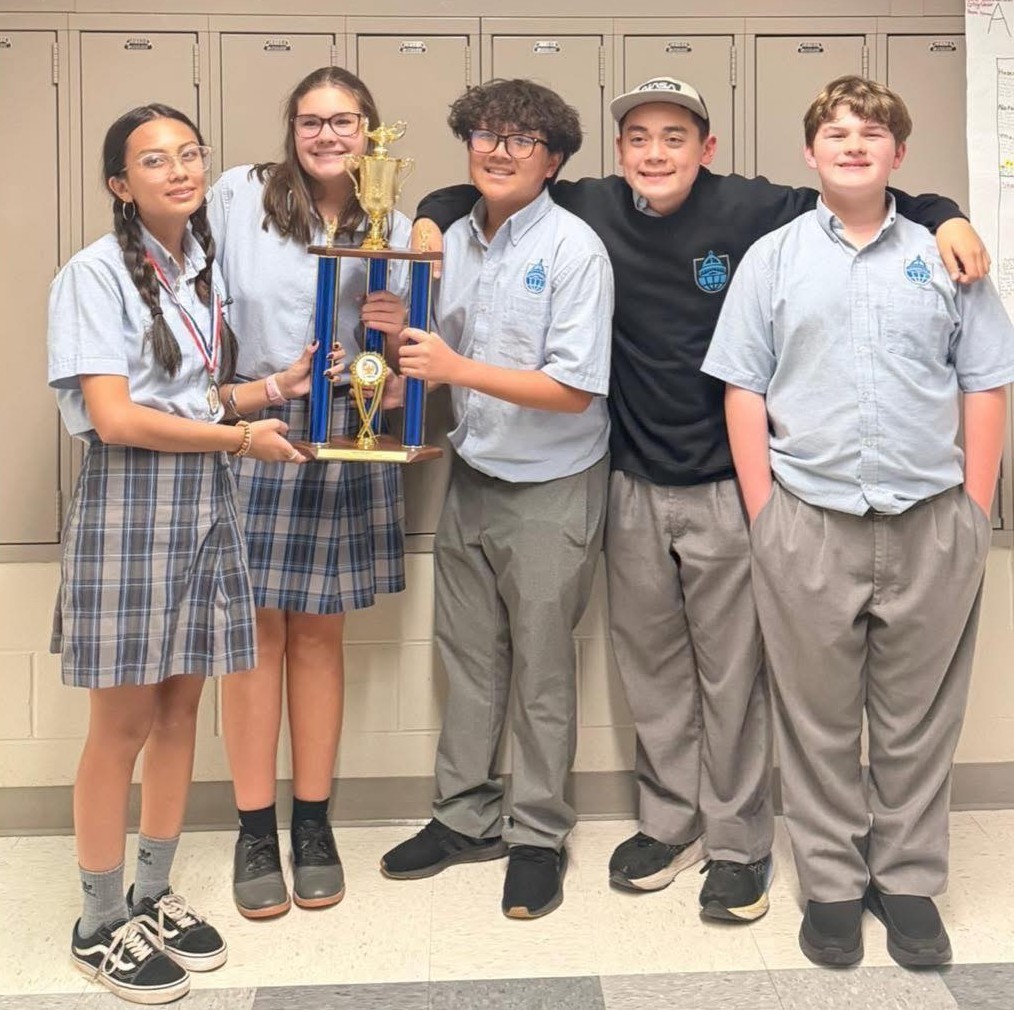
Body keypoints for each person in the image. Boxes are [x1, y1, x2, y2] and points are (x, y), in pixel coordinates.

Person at [413, 75, 992, 923]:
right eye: (639, 138)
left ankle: (738, 845)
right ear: (616, 153)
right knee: (652, 672)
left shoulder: (756, 212)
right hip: (633, 481)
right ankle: (668, 822)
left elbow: (864, 178)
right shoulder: (591, 208)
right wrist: (429, 211)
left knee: (734, 679)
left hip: (733, 486)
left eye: (675, 137)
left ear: (707, 148)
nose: (655, 153)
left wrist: (947, 213)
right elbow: (488, 182)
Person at [702, 74, 1014, 967]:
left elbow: (984, 379)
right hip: (808, 517)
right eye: (835, 132)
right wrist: (765, 514)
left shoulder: (947, 256)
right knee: (818, 715)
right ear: (810, 155)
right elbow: (743, 387)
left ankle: (909, 879)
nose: (851, 144)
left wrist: (974, 506)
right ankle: (833, 883)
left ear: (898, 156)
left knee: (918, 716)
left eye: (870, 133)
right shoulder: (774, 259)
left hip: (931, 520)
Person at [48, 104, 311, 1004]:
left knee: (177, 716)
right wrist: (242, 441)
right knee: (120, 726)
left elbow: (196, 396)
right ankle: (96, 922)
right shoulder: (92, 273)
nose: (179, 170)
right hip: (131, 506)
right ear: (121, 184)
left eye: (190, 154)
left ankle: (150, 894)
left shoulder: (199, 270)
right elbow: (118, 417)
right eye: (153, 161)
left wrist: (272, 390)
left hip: (204, 501)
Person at [379, 79, 613, 920]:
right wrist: (392, 323)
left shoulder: (578, 249)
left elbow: (575, 389)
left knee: (544, 671)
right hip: (474, 474)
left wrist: (451, 369)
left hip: (552, 484)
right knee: (470, 661)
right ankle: (463, 818)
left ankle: (539, 835)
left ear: (552, 161)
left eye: (522, 140)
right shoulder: (453, 241)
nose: (501, 150)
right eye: (486, 134)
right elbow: (433, 344)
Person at [208, 66, 410, 918]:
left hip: (350, 432)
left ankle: (314, 822)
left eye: (346, 121)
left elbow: (404, 354)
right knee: (254, 643)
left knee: (321, 639)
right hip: (260, 428)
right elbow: (200, 311)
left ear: (372, 130)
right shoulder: (238, 196)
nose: (329, 136)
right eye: (312, 121)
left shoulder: (391, 216)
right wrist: (230, 404)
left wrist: (395, 344)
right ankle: (256, 827)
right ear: (291, 129)